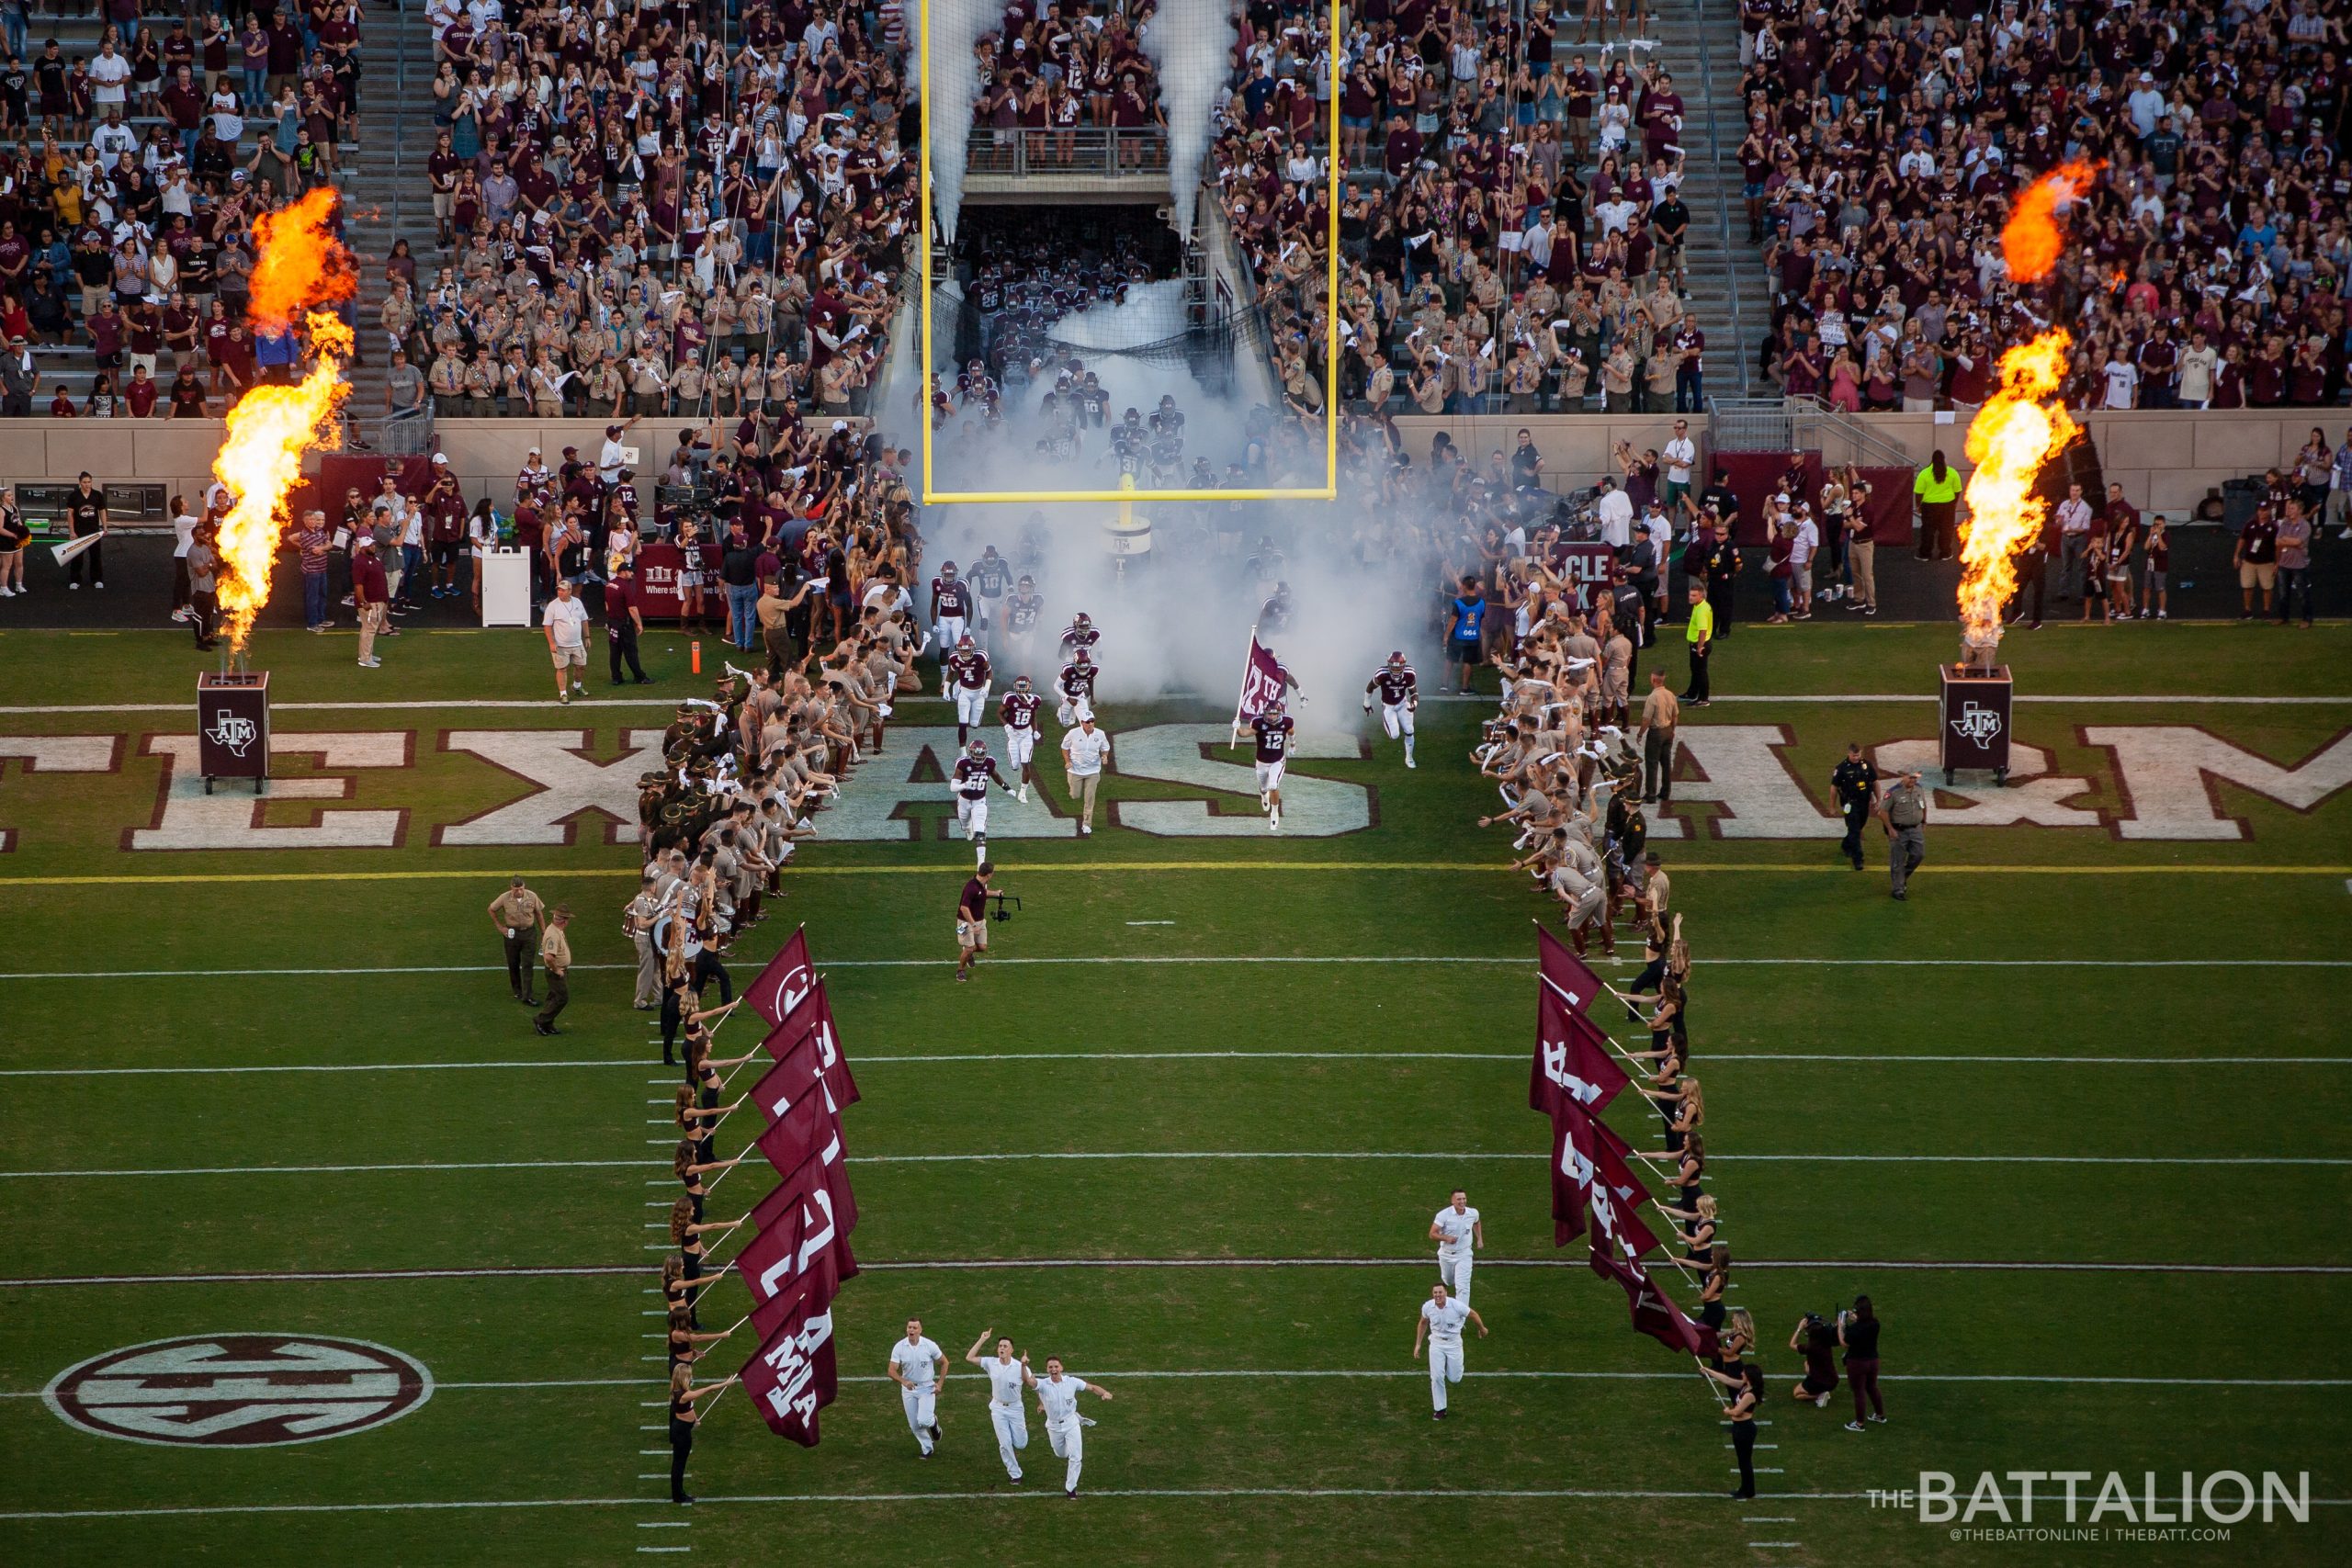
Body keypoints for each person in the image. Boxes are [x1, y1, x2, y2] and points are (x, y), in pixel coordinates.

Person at [1033, 1356, 1111, 1497]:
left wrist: (1104, 1393)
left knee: (1076, 1457)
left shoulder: (1072, 1381)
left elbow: (1092, 1387)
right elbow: (1032, 1383)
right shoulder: (1043, 1384)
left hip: (1071, 1422)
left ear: (1061, 1368)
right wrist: (1041, 1403)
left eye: (1056, 1366)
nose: (1054, 1369)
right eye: (1050, 1367)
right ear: (1047, 1370)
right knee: (1061, 1453)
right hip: (1054, 1426)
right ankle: (1070, 1450)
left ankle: (1071, 1488)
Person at [1412, 1280, 1487, 1420]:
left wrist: (1482, 1329)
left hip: (1454, 1344)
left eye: (1440, 1292)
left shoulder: (1456, 1306)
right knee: (1436, 1377)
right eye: (1435, 1292)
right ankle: (1440, 1409)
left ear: (1446, 1293)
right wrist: (1418, 1344)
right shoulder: (1428, 1307)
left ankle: (1450, 1367)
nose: (1438, 1295)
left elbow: (1473, 1315)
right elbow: (1423, 1323)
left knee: (1455, 1378)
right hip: (1436, 1343)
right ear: (1432, 1294)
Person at [967, 1329, 1032, 1483]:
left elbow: (1031, 1383)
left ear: (1012, 1350)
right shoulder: (991, 1363)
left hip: (1015, 1408)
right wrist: (982, 1339)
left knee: (1021, 1444)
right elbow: (969, 1357)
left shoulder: (1019, 1366)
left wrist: (1023, 1365)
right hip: (997, 1408)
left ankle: (1017, 1447)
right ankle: (1015, 1474)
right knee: (1005, 1443)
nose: (1002, 1348)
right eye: (1000, 1346)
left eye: (1005, 1346)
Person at [666, 1360, 735, 1506]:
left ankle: (679, 1493)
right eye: (689, 1376)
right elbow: (707, 1390)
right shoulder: (682, 1394)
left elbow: (689, 1408)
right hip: (681, 1431)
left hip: (683, 1428)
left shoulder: (681, 1392)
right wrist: (724, 1384)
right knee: (679, 1464)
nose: (691, 1378)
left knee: (680, 1463)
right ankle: (678, 1496)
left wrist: (695, 1419)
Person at [888, 1317, 945, 1459]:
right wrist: (903, 1381)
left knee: (925, 1420)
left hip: (927, 1387)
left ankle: (934, 1423)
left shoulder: (929, 1345)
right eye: (909, 1327)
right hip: (909, 1390)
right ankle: (927, 1448)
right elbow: (891, 1370)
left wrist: (940, 1384)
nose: (911, 1330)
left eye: (915, 1328)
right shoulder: (899, 1347)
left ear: (920, 1330)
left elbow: (944, 1362)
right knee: (915, 1425)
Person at [953, 739, 1013, 868]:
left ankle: (980, 863)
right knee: (964, 824)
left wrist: (1005, 786)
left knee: (980, 833)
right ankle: (967, 828)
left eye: (981, 754)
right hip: (964, 800)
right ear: (970, 752)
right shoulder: (963, 764)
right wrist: (964, 785)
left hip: (980, 801)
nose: (978, 757)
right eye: (976, 753)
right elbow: (953, 787)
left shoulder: (989, 763)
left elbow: (995, 774)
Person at [488, 875, 546, 1005]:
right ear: (511, 888)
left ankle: (528, 995)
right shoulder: (504, 897)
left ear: (524, 887)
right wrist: (500, 927)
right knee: (513, 963)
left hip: (529, 933)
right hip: (511, 934)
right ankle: (517, 990)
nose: (518, 892)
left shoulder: (532, 896)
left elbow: (539, 913)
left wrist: (543, 932)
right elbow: (491, 909)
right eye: (516, 889)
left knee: (528, 964)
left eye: (521, 889)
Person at [1876, 769, 1928, 901]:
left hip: (1916, 829)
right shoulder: (1893, 792)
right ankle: (1898, 890)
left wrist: (1924, 821)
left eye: (1915, 778)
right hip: (1899, 831)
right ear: (1903, 777)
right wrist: (1890, 829)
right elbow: (1882, 812)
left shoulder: (1919, 789)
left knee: (1918, 855)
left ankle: (1902, 877)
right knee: (1898, 861)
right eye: (1911, 778)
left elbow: (1923, 805)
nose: (1913, 780)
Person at [1363, 650, 1419, 768]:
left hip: (1403, 704)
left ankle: (1409, 758)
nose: (1396, 671)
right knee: (1394, 735)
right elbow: (1370, 687)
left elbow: (1414, 692)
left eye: (1399, 668)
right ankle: (1385, 718)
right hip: (1388, 706)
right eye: (1393, 668)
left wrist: (1414, 704)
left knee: (1409, 731)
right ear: (1388, 665)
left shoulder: (1409, 674)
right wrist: (1367, 703)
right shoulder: (1382, 674)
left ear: (1404, 666)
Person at [1060, 712, 1113, 837]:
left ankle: (1087, 824)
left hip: (1093, 771)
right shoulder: (1073, 733)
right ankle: (1074, 791)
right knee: (1075, 795)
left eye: (1092, 721)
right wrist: (1067, 761)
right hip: (1075, 771)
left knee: (1089, 798)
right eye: (1088, 721)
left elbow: (1105, 747)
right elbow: (1064, 747)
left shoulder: (1100, 734)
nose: (1090, 723)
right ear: (1082, 722)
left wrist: (1104, 756)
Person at [1838, 1295, 1885, 1431]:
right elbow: (1864, 1324)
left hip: (1857, 1363)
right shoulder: (1875, 1323)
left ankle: (1859, 1423)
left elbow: (1843, 1342)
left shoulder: (1855, 1329)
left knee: (1859, 1392)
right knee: (1872, 1387)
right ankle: (1880, 1415)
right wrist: (1855, 1318)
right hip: (1873, 1361)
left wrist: (1840, 1327)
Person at [1250, 697, 1295, 832]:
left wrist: (1293, 745)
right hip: (1261, 762)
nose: (1272, 716)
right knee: (1263, 788)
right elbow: (1246, 733)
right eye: (1269, 713)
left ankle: (1274, 812)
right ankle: (1264, 797)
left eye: (1275, 713)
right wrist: (1237, 728)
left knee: (1273, 785)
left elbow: (1291, 732)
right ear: (1265, 713)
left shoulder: (1287, 721)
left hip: (1277, 760)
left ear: (1279, 713)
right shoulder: (1258, 722)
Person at [1829, 743, 1878, 872]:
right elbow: (1834, 788)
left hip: (1864, 803)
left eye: (1858, 755)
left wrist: (1878, 799)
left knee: (1858, 827)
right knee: (1856, 831)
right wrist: (1832, 807)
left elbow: (1875, 782)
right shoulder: (1841, 768)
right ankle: (1858, 859)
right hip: (1850, 804)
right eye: (1854, 755)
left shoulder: (1867, 765)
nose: (1856, 757)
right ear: (1848, 754)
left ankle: (1846, 845)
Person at [1430, 1189, 1482, 1304]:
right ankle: (1451, 1280)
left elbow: (1477, 1222)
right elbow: (1432, 1234)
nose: (1462, 1201)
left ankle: (1460, 1319)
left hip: (1464, 1254)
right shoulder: (1443, 1215)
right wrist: (1446, 1238)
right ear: (1452, 1201)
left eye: (1464, 1199)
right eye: (1459, 1199)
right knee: (1448, 1280)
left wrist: (1479, 1239)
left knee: (1463, 1288)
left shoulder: (1472, 1213)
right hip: (1446, 1254)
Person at [1721, 1359, 1764, 1499]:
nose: (1741, 1373)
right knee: (1742, 1461)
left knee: (1745, 1461)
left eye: (1743, 1373)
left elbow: (1737, 1411)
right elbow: (1727, 1380)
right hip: (1739, 1428)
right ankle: (1744, 1488)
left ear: (1749, 1376)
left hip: (1745, 1429)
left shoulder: (1750, 1394)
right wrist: (1709, 1372)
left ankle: (1748, 1491)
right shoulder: (1745, 1386)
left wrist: (1728, 1411)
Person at [544, 577, 590, 702]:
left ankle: (576, 686)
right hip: (561, 645)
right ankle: (563, 693)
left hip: (577, 643)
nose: (560, 592)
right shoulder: (553, 606)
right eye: (559, 590)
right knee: (562, 668)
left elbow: (584, 619)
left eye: (563, 590)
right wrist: (552, 643)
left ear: (570, 591)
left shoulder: (578, 602)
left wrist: (587, 636)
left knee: (581, 666)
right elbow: (547, 626)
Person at [1912, 450, 1961, 561]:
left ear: (1932, 460)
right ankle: (1945, 553)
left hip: (1929, 507)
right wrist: (1954, 503)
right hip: (1948, 506)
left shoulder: (1924, 474)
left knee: (1928, 530)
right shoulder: (1953, 473)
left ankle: (1925, 554)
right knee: (1946, 530)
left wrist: (1918, 506)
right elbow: (1957, 491)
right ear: (1944, 459)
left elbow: (1918, 493)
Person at [1637, 670, 1678, 803]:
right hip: (1668, 730)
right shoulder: (1670, 694)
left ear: (1654, 680)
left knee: (1652, 764)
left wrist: (1640, 733)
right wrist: (1672, 729)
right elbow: (1675, 715)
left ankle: (1651, 794)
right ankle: (1666, 792)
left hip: (1656, 732)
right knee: (1666, 763)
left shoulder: (1653, 697)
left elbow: (1646, 719)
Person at [605, 565, 650, 684]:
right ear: (624, 572)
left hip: (613, 623)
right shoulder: (625, 586)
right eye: (630, 571)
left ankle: (616, 677)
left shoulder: (609, 584)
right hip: (624, 624)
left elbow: (606, 604)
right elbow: (632, 608)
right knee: (631, 651)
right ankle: (639, 677)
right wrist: (639, 624)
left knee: (615, 651)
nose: (632, 574)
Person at [1001, 675, 1042, 802]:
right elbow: (999, 712)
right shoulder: (1010, 697)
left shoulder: (1035, 700)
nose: (1022, 689)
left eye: (1024, 686)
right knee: (1015, 766)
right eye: (1020, 686)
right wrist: (1006, 725)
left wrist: (1035, 731)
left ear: (1029, 687)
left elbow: (1033, 716)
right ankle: (1015, 764)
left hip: (1026, 735)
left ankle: (1022, 792)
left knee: (1026, 763)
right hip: (1013, 735)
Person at [1443, 574, 1487, 693]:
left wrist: (1446, 636)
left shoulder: (1458, 602)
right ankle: (1465, 688)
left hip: (1457, 636)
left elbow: (1453, 620)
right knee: (1468, 662)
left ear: (1463, 586)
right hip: (1472, 636)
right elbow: (1481, 618)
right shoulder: (1482, 603)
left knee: (1450, 659)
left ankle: (1445, 684)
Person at [956, 860, 997, 983]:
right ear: (988, 875)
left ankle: (968, 954)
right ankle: (960, 971)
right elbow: (963, 908)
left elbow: (982, 893)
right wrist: (973, 925)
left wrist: (996, 893)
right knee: (969, 948)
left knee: (982, 947)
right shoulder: (971, 887)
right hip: (965, 922)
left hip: (979, 921)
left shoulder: (980, 885)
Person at [63, 472, 106, 589]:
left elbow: (102, 511)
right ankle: (75, 580)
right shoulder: (74, 496)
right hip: (78, 530)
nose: (87, 485)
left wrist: (105, 527)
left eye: (89, 482)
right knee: (77, 556)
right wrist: (72, 531)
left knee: (95, 556)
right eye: (84, 482)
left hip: (94, 530)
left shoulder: (97, 495)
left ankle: (97, 579)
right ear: (80, 483)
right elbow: (70, 513)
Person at [1790, 1312, 1840, 1408]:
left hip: (1820, 1381)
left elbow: (1792, 1344)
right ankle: (1821, 1391)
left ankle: (1819, 1396)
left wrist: (1799, 1328)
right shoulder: (1827, 1341)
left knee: (1797, 1394)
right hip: (1833, 1380)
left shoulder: (1810, 1347)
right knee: (1806, 1363)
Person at [352, 535, 389, 668]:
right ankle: (365, 658)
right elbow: (358, 585)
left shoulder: (373, 558)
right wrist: (363, 602)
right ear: (362, 548)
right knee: (369, 629)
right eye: (370, 545)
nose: (373, 547)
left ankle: (367, 654)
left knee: (369, 628)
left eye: (373, 544)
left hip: (378, 601)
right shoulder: (360, 562)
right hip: (370, 602)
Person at [185, 524, 220, 649]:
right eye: (201, 534)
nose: (204, 536)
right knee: (199, 615)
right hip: (200, 589)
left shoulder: (205, 548)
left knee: (209, 613)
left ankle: (208, 636)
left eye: (204, 533)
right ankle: (200, 641)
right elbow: (201, 573)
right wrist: (208, 565)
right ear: (195, 536)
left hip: (210, 587)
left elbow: (215, 564)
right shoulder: (193, 551)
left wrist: (208, 565)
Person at [1679, 582, 1713, 706]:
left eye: (1694, 595)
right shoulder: (1700, 606)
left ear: (1701, 596)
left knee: (1700, 671)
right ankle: (1692, 693)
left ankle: (1704, 698)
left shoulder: (1702, 610)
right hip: (1697, 643)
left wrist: (1699, 647)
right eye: (1690, 594)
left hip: (1700, 644)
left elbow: (1702, 631)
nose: (1690, 597)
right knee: (1695, 669)